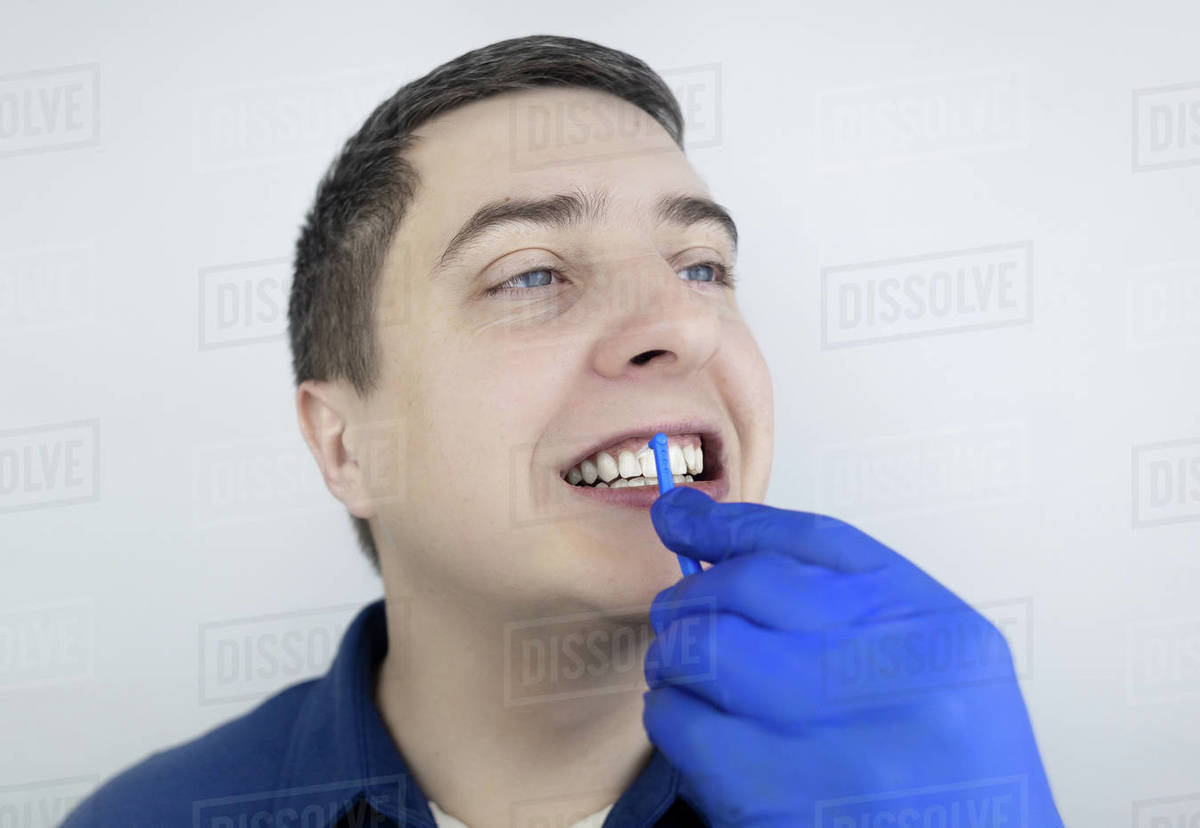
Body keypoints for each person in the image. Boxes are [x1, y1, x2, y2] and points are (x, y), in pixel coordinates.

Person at [63, 34, 1063, 828]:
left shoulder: (912, 781)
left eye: (703, 267)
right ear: (343, 446)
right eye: (532, 273)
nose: (680, 324)